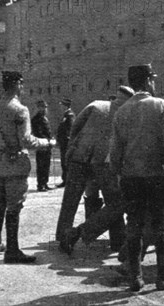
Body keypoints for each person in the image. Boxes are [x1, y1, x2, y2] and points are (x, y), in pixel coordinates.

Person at [110, 64, 164, 292]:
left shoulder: (122, 111)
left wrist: (120, 174)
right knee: (161, 225)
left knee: (134, 225)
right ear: (148, 81)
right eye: (153, 78)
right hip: (158, 174)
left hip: (132, 177)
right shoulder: (160, 105)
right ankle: (162, 277)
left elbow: (115, 153)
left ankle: (135, 278)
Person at [0, 71, 51, 263]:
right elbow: (27, 140)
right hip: (15, 165)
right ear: (17, 85)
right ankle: (12, 251)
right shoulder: (20, 110)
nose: (22, 87)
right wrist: (47, 143)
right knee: (14, 207)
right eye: (21, 84)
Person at [59, 86, 134, 254]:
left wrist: (72, 147)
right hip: (103, 163)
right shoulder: (125, 115)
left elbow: (75, 127)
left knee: (70, 201)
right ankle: (117, 240)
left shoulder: (96, 105)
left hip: (79, 157)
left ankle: (62, 236)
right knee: (114, 200)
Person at [31, 100, 55, 191]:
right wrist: (47, 140)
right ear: (38, 108)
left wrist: (51, 138)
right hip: (41, 144)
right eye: (43, 107)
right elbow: (38, 133)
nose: (45, 109)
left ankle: (45, 182)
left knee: (47, 164)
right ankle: (40, 184)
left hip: (47, 144)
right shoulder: (36, 119)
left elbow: (48, 131)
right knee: (41, 165)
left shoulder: (45, 118)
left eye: (45, 107)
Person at [56, 98, 75, 187]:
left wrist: (67, 140)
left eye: (62, 105)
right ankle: (65, 180)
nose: (60, 107)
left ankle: (67, 180)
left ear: (66, 106)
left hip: (66, 143)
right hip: (63, 142)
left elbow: (70, 129)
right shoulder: (65, 115)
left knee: (66, 161)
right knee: (64, 161)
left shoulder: (69, 115)